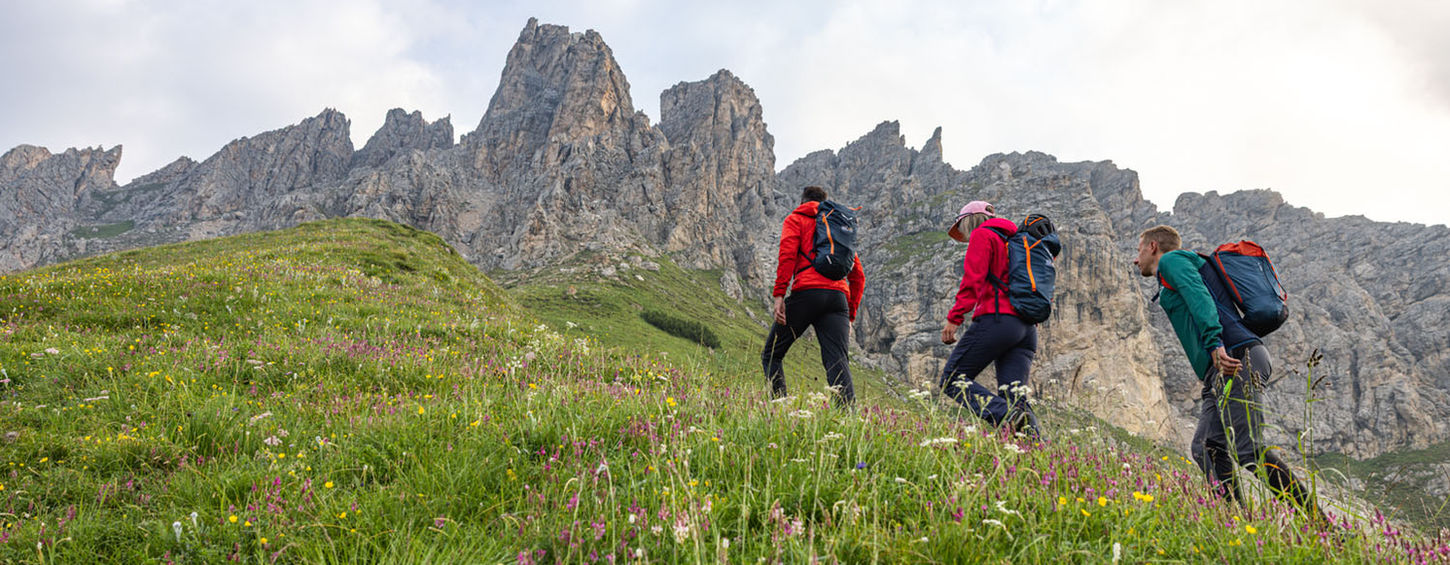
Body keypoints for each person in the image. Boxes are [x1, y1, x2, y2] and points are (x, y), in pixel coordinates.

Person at [1135, 225, 1328, 522]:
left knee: (1247, 449)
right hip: (1221, 369)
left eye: (1138, 251)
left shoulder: (1172, 261)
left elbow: (1199, 295)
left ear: (1152, 246)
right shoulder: (1176, 268)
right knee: (1205, 446)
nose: (1136, 260)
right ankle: (1236, 524)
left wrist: (1214, 341)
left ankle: (1324, 527)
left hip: (1235, 358)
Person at [938, 201, 1040, 436]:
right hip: (1027, 328)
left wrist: (955, 318)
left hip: (998, 320)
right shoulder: (1017, 242)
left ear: (968, 221)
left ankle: (1005, 415)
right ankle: (1037, 449)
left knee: (953, 379)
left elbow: (972, 280)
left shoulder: (983, 235)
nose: (963, 233)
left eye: (962, 227)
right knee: (1015, 395)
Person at [761, 186, 865, 407]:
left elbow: (787, 256)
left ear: (803, 201)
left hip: (807, 293)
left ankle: (780, 409)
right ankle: (847, 420)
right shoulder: (835, 227)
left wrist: (779, 294)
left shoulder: (796, 219)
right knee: (837, 361)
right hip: (838, 299)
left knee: (772, 355)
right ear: (824, 202)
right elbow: (858, 277)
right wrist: (850, 314)